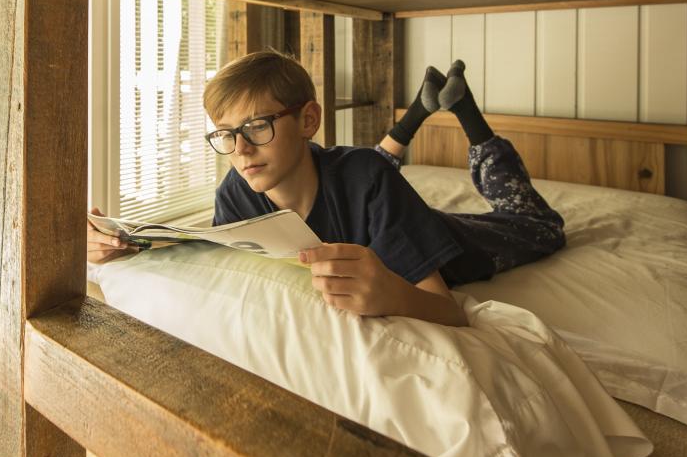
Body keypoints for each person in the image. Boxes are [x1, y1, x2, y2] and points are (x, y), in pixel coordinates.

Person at [86, 49, 565, 326]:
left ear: (309, 119)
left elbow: (450, 312)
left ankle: (464, 110)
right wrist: (125, 247)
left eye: (256, 127)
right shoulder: (237, 191)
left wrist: (397, 297)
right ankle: (419, 109)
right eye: (225, 135)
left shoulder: (366, 178)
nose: (240, 150)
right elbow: (219, 269)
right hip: (363, 191)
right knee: (362, 173)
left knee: (539, 224)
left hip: (460, 240)